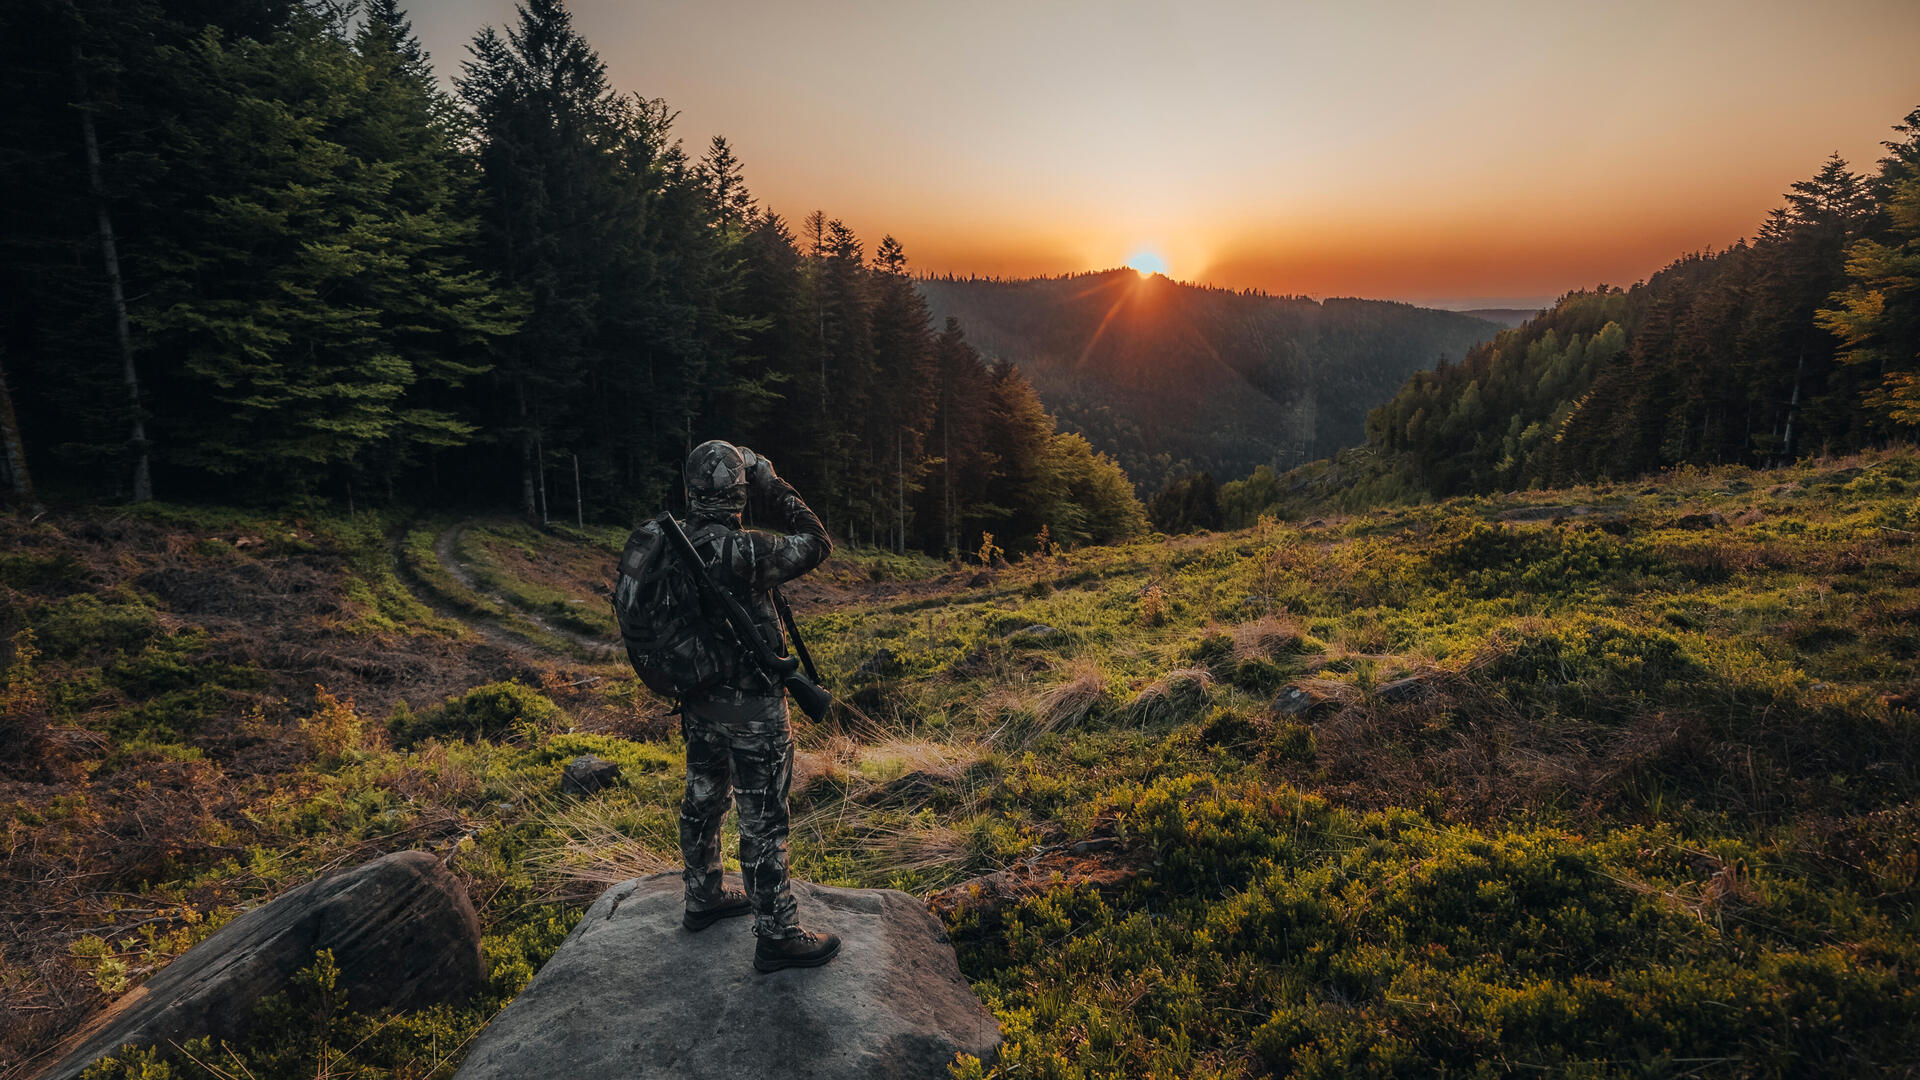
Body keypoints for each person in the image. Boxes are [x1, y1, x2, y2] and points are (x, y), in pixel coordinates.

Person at [673, 439, 839, 972]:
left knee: (702, 800)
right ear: (738, 493)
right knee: (763, 821)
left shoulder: (672, 544)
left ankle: (702, 896)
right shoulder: (743, 552)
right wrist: (771, 480)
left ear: (692, 488)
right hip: (754, 713)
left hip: (699, 702)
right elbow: (817, 541)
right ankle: (777, 934)